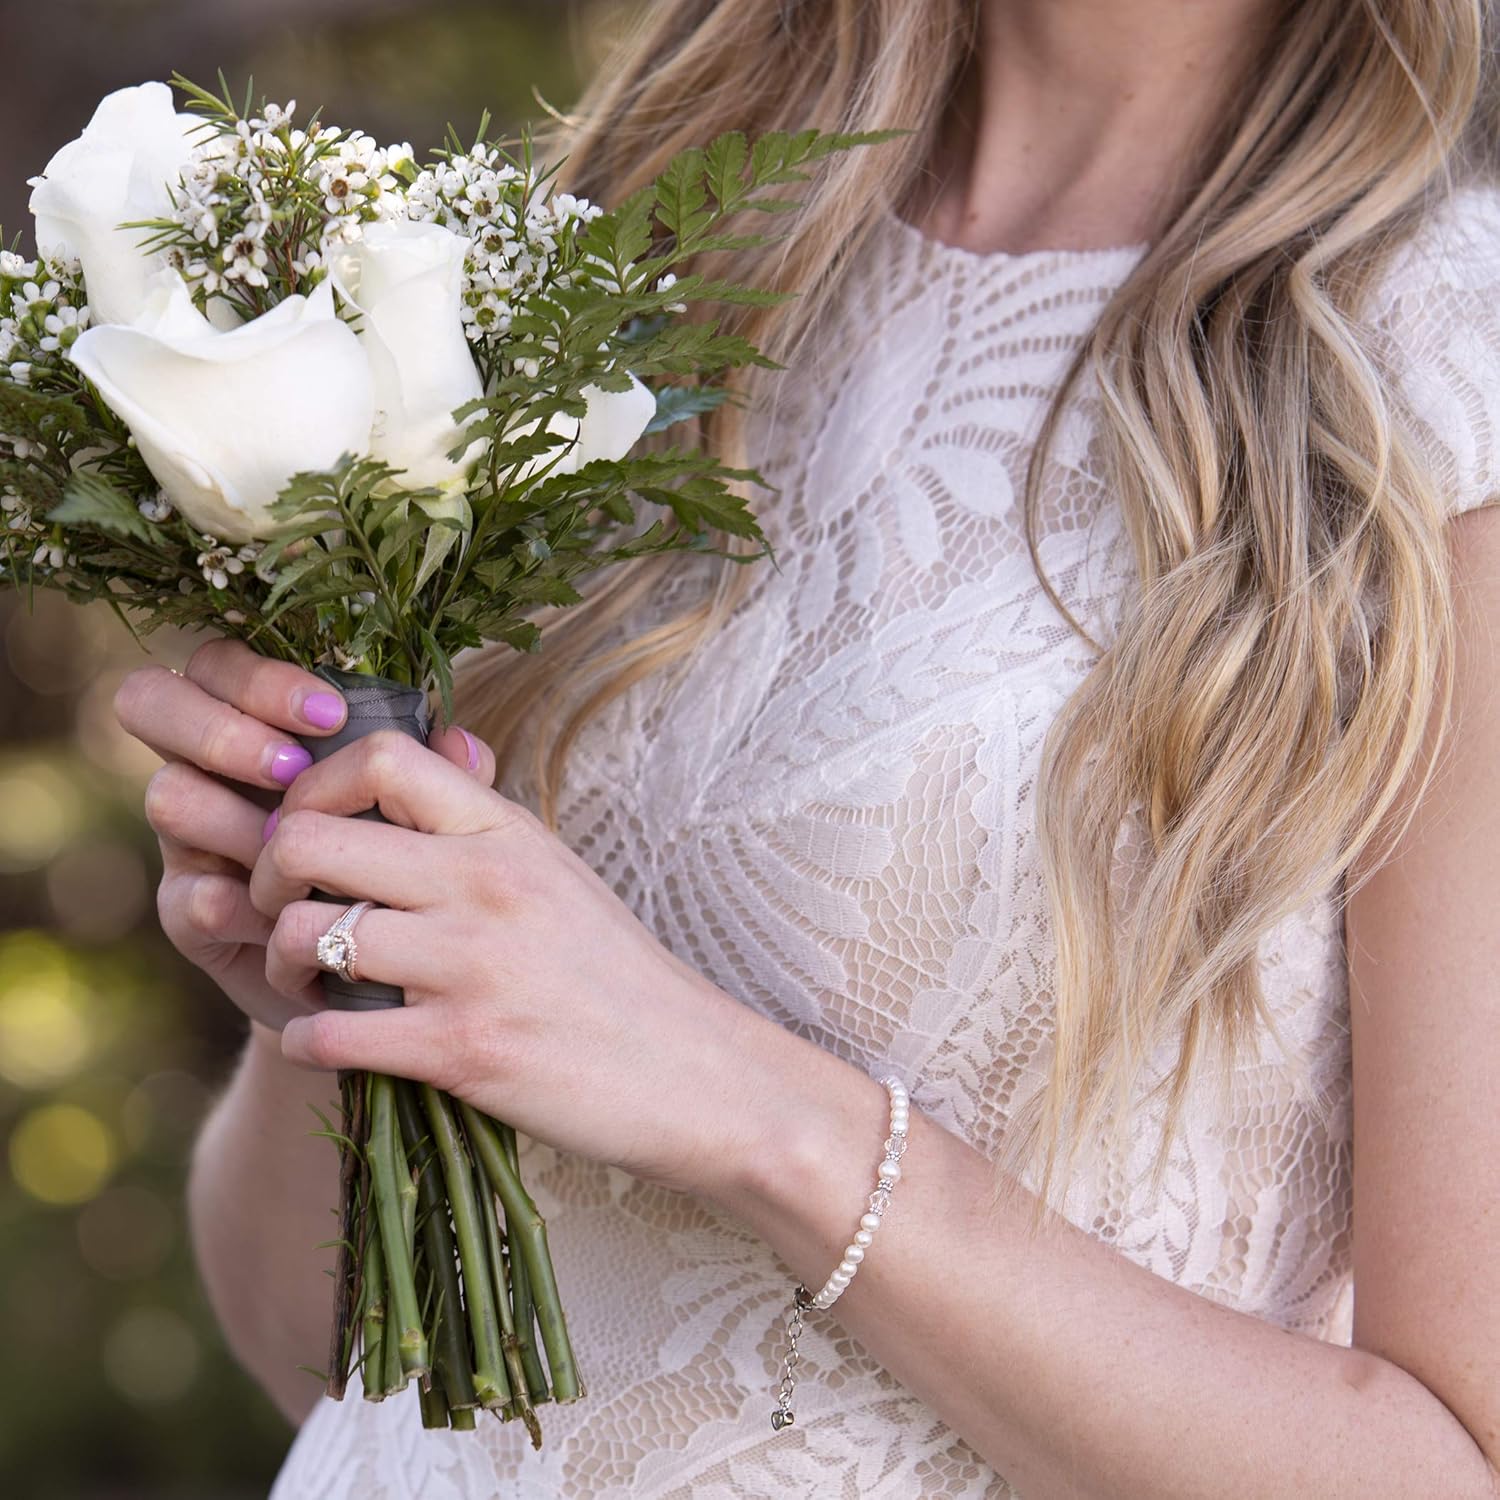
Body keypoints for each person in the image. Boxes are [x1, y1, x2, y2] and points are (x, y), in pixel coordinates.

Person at [113, 1, 1500, 1495]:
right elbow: (313, 1357)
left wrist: (755, 1113)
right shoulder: (647, 231)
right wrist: (339, 984)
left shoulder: (1431, 364)